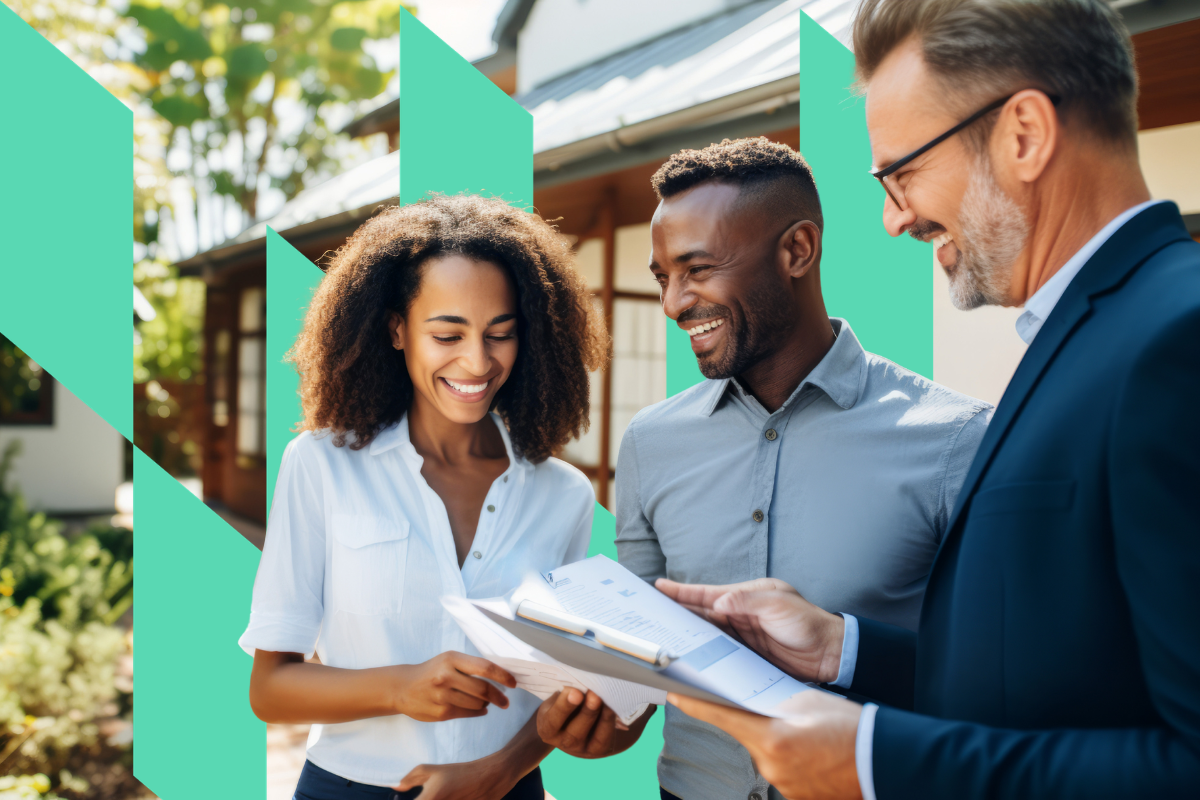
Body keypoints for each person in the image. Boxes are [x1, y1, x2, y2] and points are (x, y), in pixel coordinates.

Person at [659, 1, 1200, 798]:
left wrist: (876, 758)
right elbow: (1055, 679)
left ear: (1023, 134)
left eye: (902, 172)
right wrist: (842, 649)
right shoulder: (1083, 334)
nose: (892, 218)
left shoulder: (1173, 343)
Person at [535, 138, 993, 800]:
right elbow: (636, 663)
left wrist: (847, 647)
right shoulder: (651, 442)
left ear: (797, 251)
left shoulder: (956, 440)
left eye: (696, 268)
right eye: (664, 276)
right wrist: (603, 721)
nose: (673, 303)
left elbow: (999, 681)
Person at [237, 194, 607, 800]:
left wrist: (500, 770)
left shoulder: (562, 495)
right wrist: (400, 686)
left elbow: (560, 688)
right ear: (396, 330)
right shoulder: (321, 466)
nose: (477, 361)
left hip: (506, 789)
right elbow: (271, 689)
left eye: (501, 334)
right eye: (447, 333)